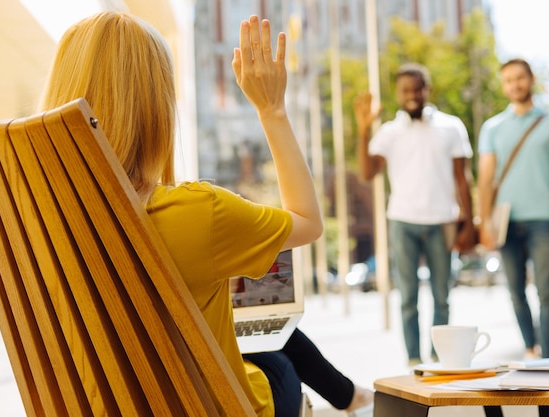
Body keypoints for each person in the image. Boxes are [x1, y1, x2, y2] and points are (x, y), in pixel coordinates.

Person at [38, 11, 372, 417]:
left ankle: (349, 395)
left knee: (270, 336)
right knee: (277, 356)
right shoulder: (198, 212)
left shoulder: (33, 222)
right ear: (155, 108)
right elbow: (308, 220)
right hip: (210, 406)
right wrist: (272, 111)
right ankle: (352, 397)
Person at [353, 63, 475, 366]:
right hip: (403, 221)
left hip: (443, 221)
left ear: (427, 90)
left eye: (417, 89)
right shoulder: (388, 132)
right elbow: (368, 173)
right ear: (398, 93)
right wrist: (363, 127)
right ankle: (413, 359)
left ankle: (441, 356)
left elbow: (463, 179)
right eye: (406, 90)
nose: (412, 95)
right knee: (407, 297)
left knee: (442, 296)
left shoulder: (451, 126)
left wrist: (468, 222)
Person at [477, 58, 549, 359]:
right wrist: (484, 223)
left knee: (545, 291)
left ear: (530, 80)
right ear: (504, 86)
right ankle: (531, 349)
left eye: (519, 78)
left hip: (544, 218)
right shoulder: (493, 127)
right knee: (515, 292)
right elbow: (486, 179)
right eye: (508, 80)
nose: (514, 84)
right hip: (506, 220)